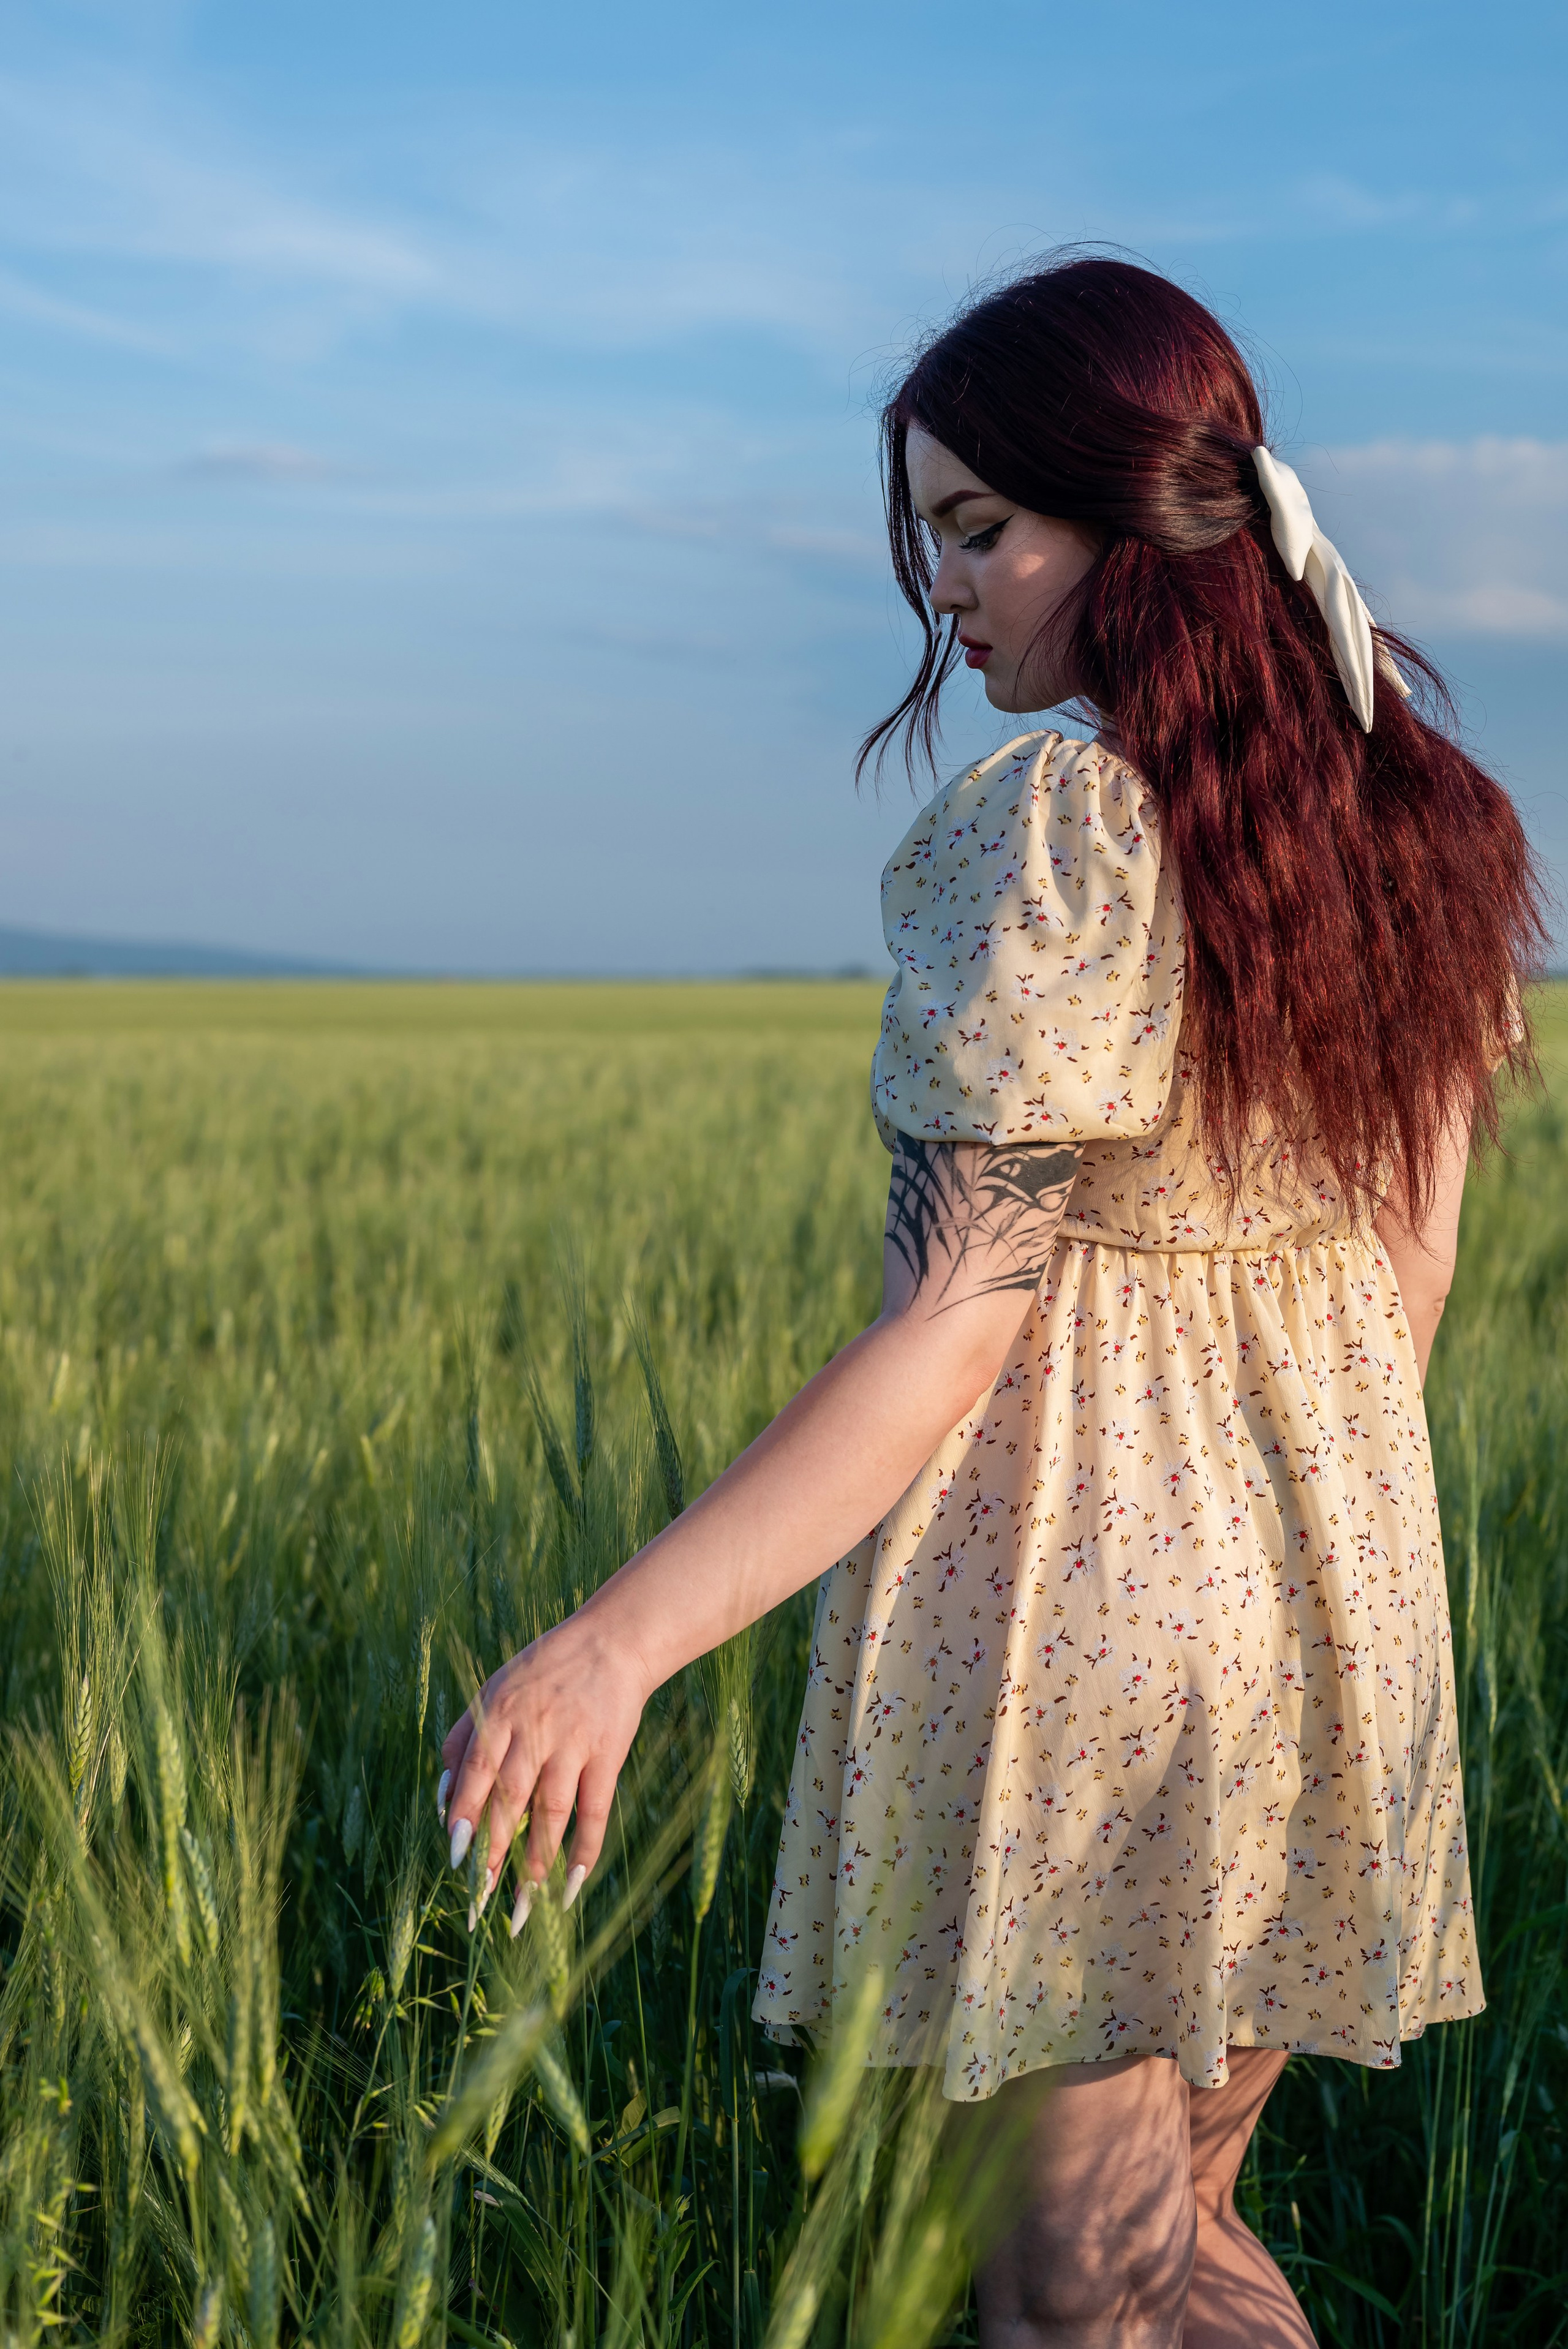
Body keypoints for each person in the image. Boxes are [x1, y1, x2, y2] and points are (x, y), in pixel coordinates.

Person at [438, 256, 1544, 2346]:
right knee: (1179, 2243)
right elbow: (1418, 1259)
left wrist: (612, 1644)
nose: (942, 585)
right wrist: (1290, 1555)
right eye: (929, 530)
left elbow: (954, 1318)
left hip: (1088, 1641)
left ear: (1126, 527)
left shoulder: (1063, 830)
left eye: (978, 527)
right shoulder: (1422, 818)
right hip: (1334, 1611)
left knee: (1061, 2298)